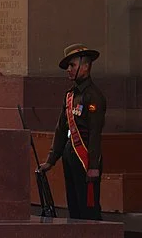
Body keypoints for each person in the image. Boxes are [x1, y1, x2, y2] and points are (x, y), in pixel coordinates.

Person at [39, 44, 107, 221]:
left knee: (88, 209)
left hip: (85, 158)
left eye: (72, 65)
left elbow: (94, 132)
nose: (69, 70)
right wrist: (51, 159)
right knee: (74, 207)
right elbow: (61, 129)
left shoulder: (94, 96)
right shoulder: (70, 96)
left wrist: (92, 166)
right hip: (70, 154)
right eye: (68, 66)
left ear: (85, 66)